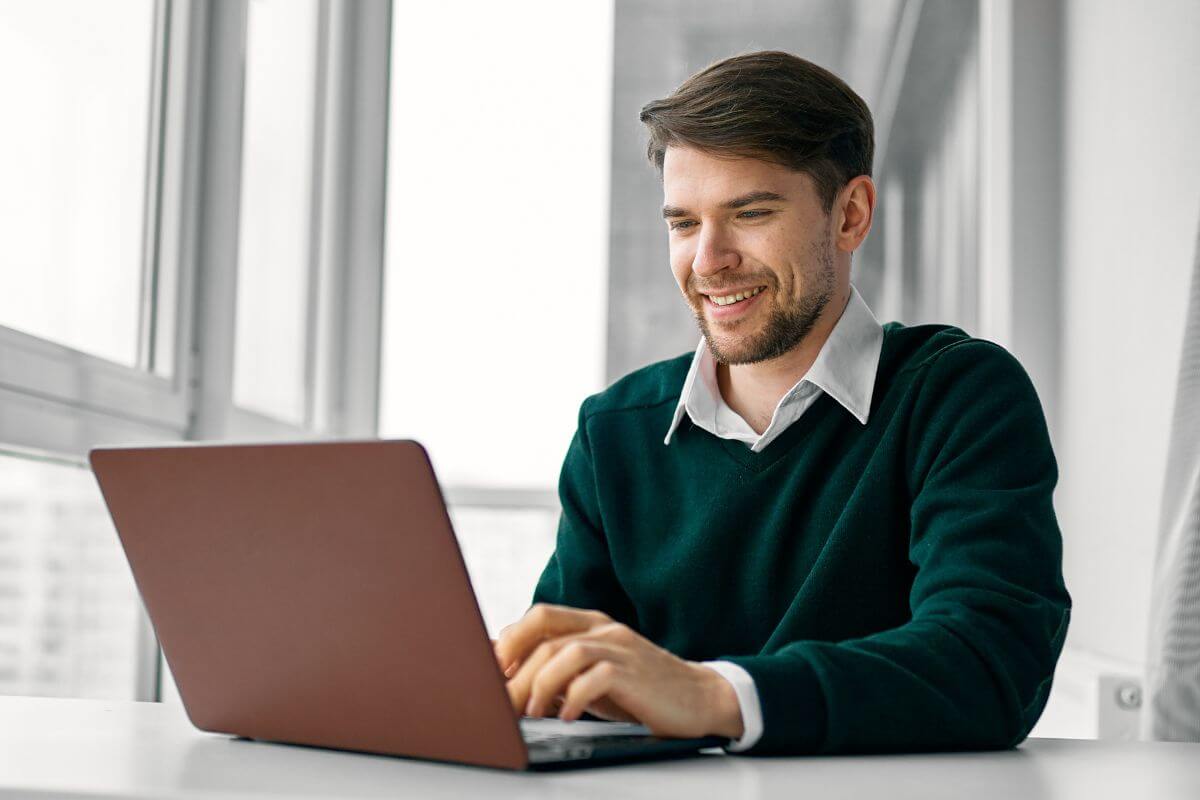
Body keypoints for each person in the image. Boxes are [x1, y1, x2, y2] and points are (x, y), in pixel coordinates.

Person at [492, 50, 1070, 755]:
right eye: (683, 223)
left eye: (751, 212)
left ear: (850, 215)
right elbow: (563, 685)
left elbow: (989, 665)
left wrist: (711, 695)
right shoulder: (614, 433)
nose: (708, 260)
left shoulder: (959, 397)